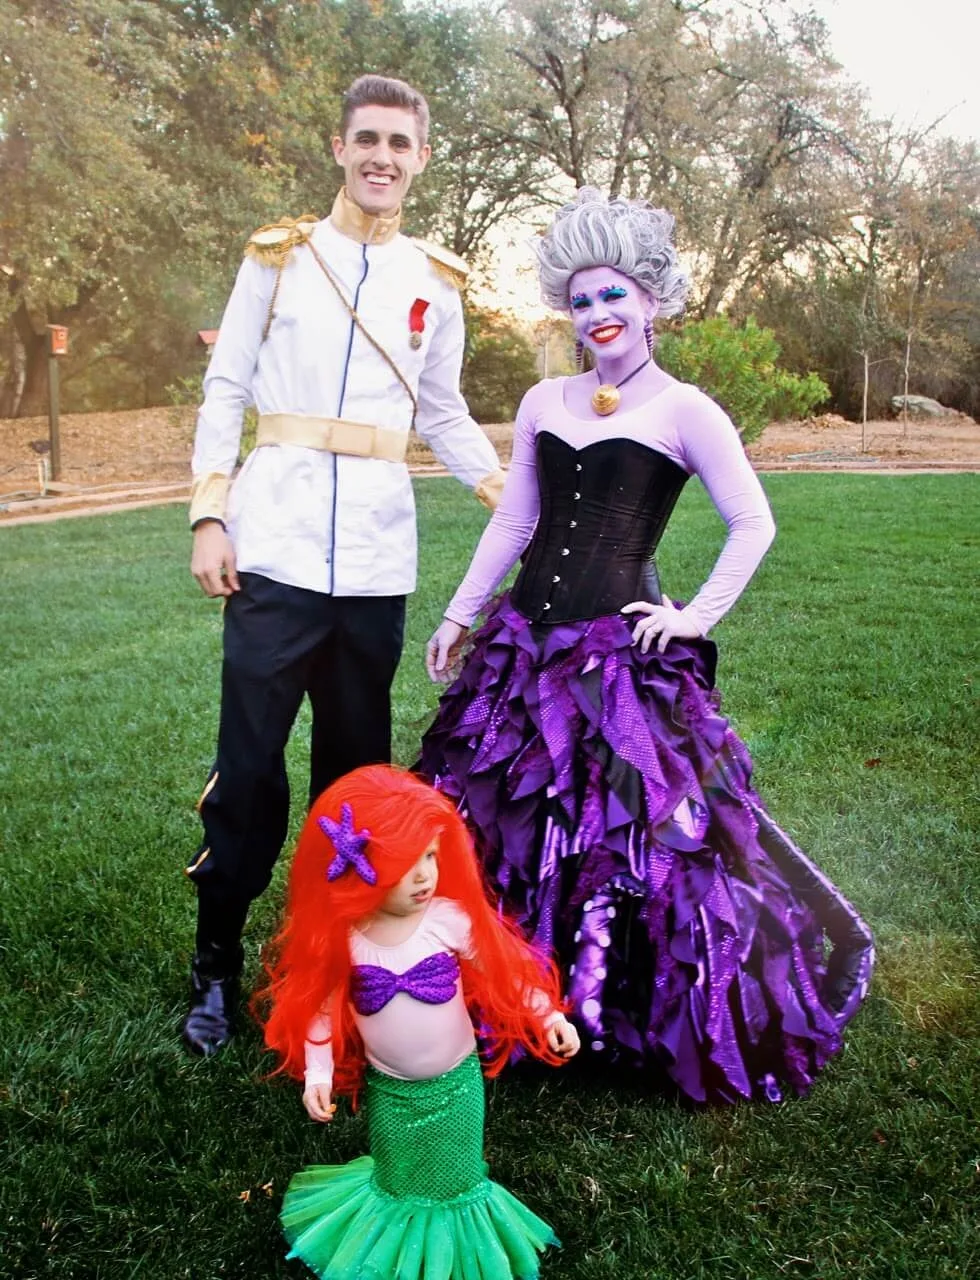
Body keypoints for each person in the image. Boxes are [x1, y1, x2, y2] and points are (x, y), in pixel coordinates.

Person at [418, 188, 875, 1105]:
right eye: (581, 300)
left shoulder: (686, 410)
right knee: (501, 813)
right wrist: (461, 614)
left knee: (629, 831)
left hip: (616, 659)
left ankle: (608, 1009)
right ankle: (498, 993)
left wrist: (695, 616)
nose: (597, 316)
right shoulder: (546, 398)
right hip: (523, 648)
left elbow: (753, 522)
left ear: (652, 300)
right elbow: (515, 523)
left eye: (613, 295)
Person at [182, 74, 505, 1056]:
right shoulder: (279, 258)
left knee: (355, 783)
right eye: (367, 139)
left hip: (373, 560)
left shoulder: (434, 282)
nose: (381, 158)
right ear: (337, 146)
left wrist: (506, 494)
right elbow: (226, 382)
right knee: (248, 771)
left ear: (419, 157)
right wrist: (209, 512)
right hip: (272, 548)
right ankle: (214, 964)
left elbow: (440, 408)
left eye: (399, 144)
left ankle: (337, 967)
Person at [257, 765, 580, 1280]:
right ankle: (397, 1252)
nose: (425, 874)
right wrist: (318, 1075)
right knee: (399, 1177)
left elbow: (504, 969)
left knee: (454, 1178)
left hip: (457, 1087)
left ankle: (456, 1256)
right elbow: (318, 1007)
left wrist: (545, 1014)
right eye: (406, 863)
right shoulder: (345, 938)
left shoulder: (447, 920)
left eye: (431, 855)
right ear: (356, 866)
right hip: (390, 1092)